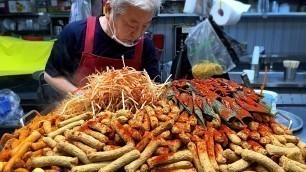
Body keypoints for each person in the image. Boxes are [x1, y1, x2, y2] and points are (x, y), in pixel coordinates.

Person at [44, 0, 161, 95]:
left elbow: (154, 87)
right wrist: (82, 96)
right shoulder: (77, 32)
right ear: (109, 9)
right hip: (82, 113)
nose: (137, 34)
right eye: (132, 25)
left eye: (145, 25)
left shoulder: (145, 45)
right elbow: (51, 75)